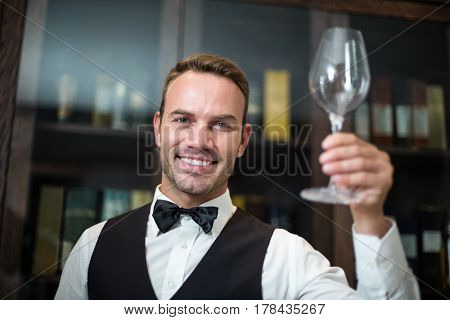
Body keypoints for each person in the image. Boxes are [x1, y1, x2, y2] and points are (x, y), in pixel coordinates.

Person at [55, 53, 419, 299]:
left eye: (220, 125)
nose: (198, 141)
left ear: (243, 140)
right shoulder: (91, 245)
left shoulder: (287, 257)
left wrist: (369, 215)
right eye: (183, 120)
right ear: (158, 129)